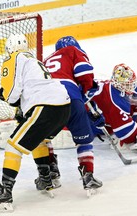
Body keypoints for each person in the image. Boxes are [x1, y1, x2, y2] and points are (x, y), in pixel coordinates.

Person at [0, 33, 71, 212]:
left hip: (46, 105)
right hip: (63, 106)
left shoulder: (13, 58)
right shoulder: (34, 61)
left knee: (13, 146)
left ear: (9, 49)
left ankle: (5, 194)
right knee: (39, 139)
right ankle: (46, 179)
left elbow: (12, 91)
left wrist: (6, 96)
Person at [43, 36, 103, 192]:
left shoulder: (44, 61)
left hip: (45, 101)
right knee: (83, 141)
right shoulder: (73, 51)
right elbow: (85, 72)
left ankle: (51, 172)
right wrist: (86, 91)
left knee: (44, 139)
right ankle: (88, 176)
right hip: (70, 98)